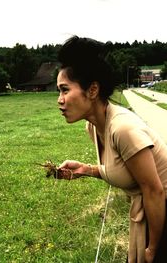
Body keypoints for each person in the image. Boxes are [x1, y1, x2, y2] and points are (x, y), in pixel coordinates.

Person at [56, 36, 167, 263]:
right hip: (152, 213)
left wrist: (153, 248)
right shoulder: (94, 126)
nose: (59, 100)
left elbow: (155, 191)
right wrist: (85, 169)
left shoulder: (123, 128)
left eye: (65, 90)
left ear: (93, 90)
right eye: (59, 91)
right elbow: (123, 169)